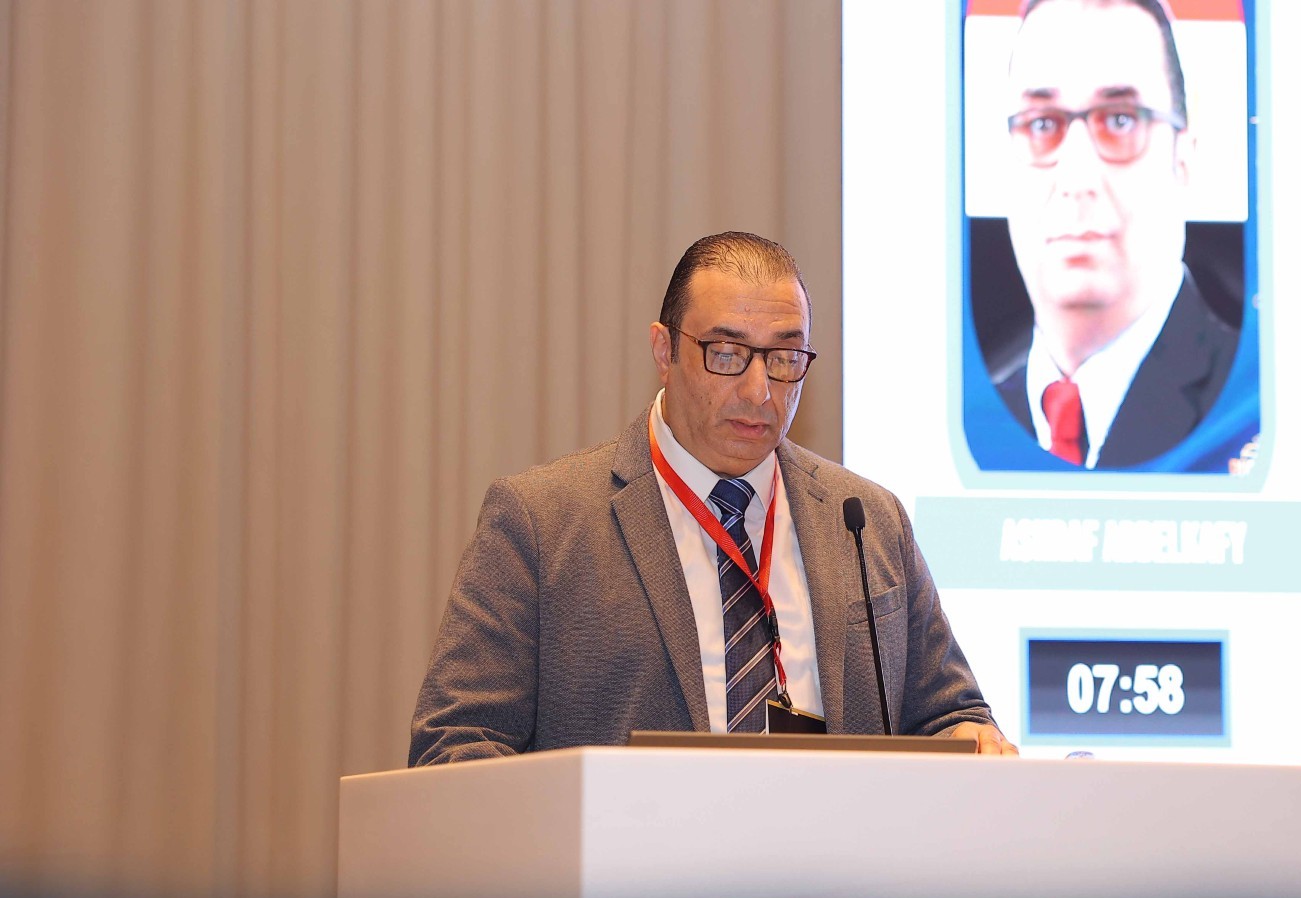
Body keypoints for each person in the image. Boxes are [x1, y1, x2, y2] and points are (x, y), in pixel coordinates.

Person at [410, 231, 1015, 764]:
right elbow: (455, 745)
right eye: (726, 354)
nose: (759, 391)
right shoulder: (541, 523)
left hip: (837, 859)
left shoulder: (866, 520)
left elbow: (948, 714)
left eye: (784, 358)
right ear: (664, 351)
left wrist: (969, 738)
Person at [987, 0, 1239, 470]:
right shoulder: (974, 417)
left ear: (1184, 159)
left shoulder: (1250, 408)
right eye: (1042, 124)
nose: (1076, 177)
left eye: (1120, 120)